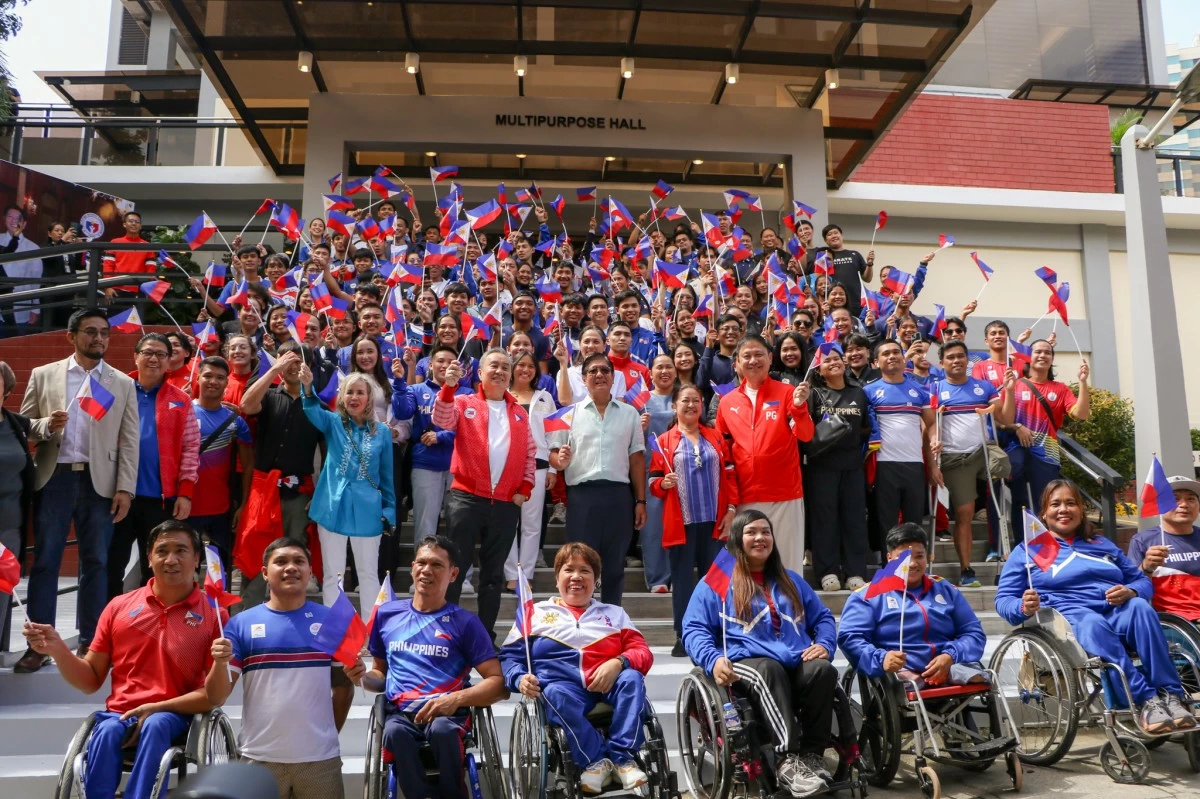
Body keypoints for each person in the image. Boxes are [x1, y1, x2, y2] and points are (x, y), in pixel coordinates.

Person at [22, 521, 227, 799]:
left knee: (156, 723)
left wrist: (156, 707)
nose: (171, 559)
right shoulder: (119, 607)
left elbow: (213, 696)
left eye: (181, 550)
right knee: (105, 731)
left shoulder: (215, 615)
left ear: (196, 558)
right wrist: (59, 649)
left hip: (176, 717)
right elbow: (91, 680)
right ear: (149, 558)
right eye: (162, 551)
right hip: (120, 715)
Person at [995, 480, 1196, 734]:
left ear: (1081, 509)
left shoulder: (1102, 545)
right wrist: (1023, 606)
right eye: (1055, 504)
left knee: (1141, 609)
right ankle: (1145, 699)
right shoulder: (1028, 551)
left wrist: (1131, 590)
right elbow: (1003, 600)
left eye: (1071, 503)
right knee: (1093, 623)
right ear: (1044, 513)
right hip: (1070, 619)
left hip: (1117, 610)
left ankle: (1171, 695)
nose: (1064, 509)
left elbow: (1139, 580)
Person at [682, 510, 838, 798]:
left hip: (793, 658)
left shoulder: (790, 579)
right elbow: (693, 628)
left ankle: (813, 756)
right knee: (768, 670)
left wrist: (825, 645)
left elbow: (824, 619)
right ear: (737, 540)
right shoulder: (717, 581)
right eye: (751, 532)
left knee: (823, 670)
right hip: (744, 661)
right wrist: (713, 659)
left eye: (766, 532)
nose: (760, 538)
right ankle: (786, 761)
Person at [17, 308, 139, 673]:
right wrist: (47, 424)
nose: (98, 339)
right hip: (55, 478)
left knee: (97, 564)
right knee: (45, 563)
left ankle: (92, 643)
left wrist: (125, 488)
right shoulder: (44, 375)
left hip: (99, 482)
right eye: (90, 332)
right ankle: (38, 646)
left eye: (104, 333)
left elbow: (130, 440)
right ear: (72, 336)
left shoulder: (121, 382)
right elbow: (26, 425)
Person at [207, 538, 363, 799]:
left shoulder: (332, 622)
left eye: (299, 561)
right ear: (265, 573)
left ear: (310, 572)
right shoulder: (239, 625)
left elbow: (343, 689)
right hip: (258, 759)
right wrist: (218, 663)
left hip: (320, 762)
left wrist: (323, 737)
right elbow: (216, 697)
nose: (291, 567)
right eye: (281, 561)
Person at [500, 542, 654, 795]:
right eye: (569, 569)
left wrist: (618, 662)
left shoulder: (614, 614)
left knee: (632, 678)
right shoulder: (534, 613)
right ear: (557, 577)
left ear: (596, 580)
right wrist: (518, 679)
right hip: (564, 688)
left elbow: (642, 653)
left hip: (610, 685)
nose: (576, 577)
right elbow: (509, 657)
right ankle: (595, 761)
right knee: (553, 694)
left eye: (585, 571)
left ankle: (622, 758)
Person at [363, 535, 508, 799]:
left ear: (453, 574)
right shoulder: (387, 615)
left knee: (442, 730)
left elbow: (498, 684)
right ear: (413, 567)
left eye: (437, 565)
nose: (426, 570)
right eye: (422, 563)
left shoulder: (465, 623)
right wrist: (362, 678)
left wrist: (455, 699)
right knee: (394, 732)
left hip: (449, 716)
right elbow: (378, 674)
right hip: (401, 715)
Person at [433, 350, 535, 638]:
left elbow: (530, 453)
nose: (500, 371)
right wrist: (448, 387)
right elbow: (441, 419)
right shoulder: (463, 402)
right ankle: (447, 632)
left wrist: (524, 490)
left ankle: (485, 635)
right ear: (480, 372)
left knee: (492, 577)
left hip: (505, 503)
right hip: (466, 499)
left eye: (506, 367)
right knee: (455, 568)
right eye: (494, 365)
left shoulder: (519, 413)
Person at [107, 333, 200, 600]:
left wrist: (185, 492)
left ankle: (156, 625)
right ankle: (108, 628)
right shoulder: (115, 390)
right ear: (135, 356)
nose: (154, 359)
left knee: (157, 569)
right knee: (111, 565)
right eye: (148, 352)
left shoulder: (180, 399)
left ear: (170, 361)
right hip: (116, 494)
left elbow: (191, 447)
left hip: (160, 499)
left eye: (161, 354)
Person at [838, 523, 988, 688]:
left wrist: (950, 655)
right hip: (901, 672)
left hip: (949, 666)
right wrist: (882, 658)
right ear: (889, 559)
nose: (912, 564)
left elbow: (973, 632)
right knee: (906, 682)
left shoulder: (946, 589)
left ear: (927, 556)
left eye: (919, 556)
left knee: (983, 677)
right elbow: (850, 638)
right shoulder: (866, 596)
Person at [550, 353, 646, 606]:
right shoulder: (568, 414)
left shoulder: (630, 414)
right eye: (592, 371)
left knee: (614, 566)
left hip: (618, 497)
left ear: (613, 377)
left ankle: (612, 625)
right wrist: (559, 459)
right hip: (582, 498)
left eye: (605, 370)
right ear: (583, 379)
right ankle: (581, 623)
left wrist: (640, 501)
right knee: (580, 565)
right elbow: (554, 455)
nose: (599, 375)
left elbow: (636, 460)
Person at [648, 382, 737, 656]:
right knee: (683, 581)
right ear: (674, 406)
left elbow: (731, 474)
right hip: (682, 523)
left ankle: (718, 632)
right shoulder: (664, 441)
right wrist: (663, 484)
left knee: (718, 579)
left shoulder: (717, 437)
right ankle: (683, 634)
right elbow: (653, 480)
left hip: (714, 521)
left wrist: (732, 509)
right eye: (684, 400)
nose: (690, 405)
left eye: (696, 400)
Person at [299, 366, 395, 618]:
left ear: (368, 398)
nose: (354, 397)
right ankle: (336, 634)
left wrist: (389, 510)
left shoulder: (383, 432)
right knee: (333, 574)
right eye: (349, 392)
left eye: (360, 392)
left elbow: (387, 476)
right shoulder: (333, 422)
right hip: (332, 508)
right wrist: (307, 386)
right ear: (342, 397)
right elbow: (310, 409)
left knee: (368, 574)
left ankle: (369, 635)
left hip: (368, 511)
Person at [715, 336, 813, 575]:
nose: (753, 360)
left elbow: (806, 435)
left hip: (784, 495)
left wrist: (800, 408)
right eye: (746, 356)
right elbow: (724, 455)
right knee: (747, 569)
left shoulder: (788, 392)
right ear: (736, 364)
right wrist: (729, 502)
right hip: (745, 496)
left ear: (770, 358)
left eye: (759, 354)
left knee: (788, 567)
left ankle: (791, 611)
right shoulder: (726, 402)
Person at [237, 343, 325, 607]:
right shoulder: (269, 395)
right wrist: (273, 369)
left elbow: (329, 453)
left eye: (299, 361)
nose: (293, 367)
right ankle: (246, 616)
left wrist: (320, 493)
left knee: (293, 552)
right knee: (254, 550)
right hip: (263, 489)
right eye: (288, 360)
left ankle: (290, 612)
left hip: (300, 491)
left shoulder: (319, 406)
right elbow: (245, 405)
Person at [928, 340, 1015, 588]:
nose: (956, 361)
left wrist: (1009, 390)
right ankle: (966, 569)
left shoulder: (984, 387)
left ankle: (1006, 559)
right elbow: (930, 424)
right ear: (941, 363)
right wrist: (934, 443)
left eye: (961, 357)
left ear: (968, 361)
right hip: (957, 457)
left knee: (1002, 488)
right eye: (951, 357)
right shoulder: (936, 389)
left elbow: (1005, 418)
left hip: (983, 451)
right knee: (965, 513)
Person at [1006, 340, 1090, 534]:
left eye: (1047, 352)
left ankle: (1046, 547)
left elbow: (1081, 414)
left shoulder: (1060, 389)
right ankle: (1023, 546)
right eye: (1038, 352)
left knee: (1045, 502)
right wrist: (1017, 426)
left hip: (1047, 453)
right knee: (1020, 501)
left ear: (1052, 359)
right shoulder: (1015, 385)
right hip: (1016, 448)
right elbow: (1002, 419)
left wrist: (1083, 382)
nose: (1042, 355)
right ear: (1029, 356)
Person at [805, 346, 871, 592]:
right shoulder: (814, 394)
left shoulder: (859, 394)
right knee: (825, 520)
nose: (832, 362)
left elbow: (865, 427)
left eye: (836, 358)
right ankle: (828, 571)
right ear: (819, 371)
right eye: (826, 361)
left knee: (854, 520)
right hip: (821, 467)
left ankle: (855, 571)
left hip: (852, 466)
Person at [392, 345, 471, 542]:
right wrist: (400, 382)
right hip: (425, 464)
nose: (445, 366)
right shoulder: (415, 389)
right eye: (440, 361)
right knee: (425, 524)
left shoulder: (468, 392)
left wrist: (442, 436)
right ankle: (422, 570)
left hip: (459, 466)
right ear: (430, 364)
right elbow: (402, 413)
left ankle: (461, 573)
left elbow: (470, 429)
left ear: (458, 367)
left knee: (460, 524)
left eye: (450, 362)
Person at [864, 339, 936, 549]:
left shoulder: (920, 390)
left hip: (914, 464)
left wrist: (933, 458)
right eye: (886, 354)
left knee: (914, 523)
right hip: (884, 465)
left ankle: (914, 569)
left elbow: (931, 425)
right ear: (876, 362)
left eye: (896, 352)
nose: (892, 356)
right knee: (886, 522)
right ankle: (889, 571)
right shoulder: (868, 391)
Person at [190, 356, 253, 575]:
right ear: (198, 378)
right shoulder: (182, 413)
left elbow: (248, 467)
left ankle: (216, 611)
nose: (213, 381)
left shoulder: (236, 422)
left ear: (227, 382)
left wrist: (243, 505)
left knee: (219, 576)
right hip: (185, 506)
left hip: (222, 510)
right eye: (207, 375)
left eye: (219, 377)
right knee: (188, 571)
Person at [503, 351, 556, 588]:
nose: (525, 370)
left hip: (539, 464)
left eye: (530, 366)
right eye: (520, 365)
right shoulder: (501, 396)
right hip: (505, 464)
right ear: (512, 368)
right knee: (508, 521)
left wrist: (554, 469)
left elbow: (553, 433)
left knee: (532, 523)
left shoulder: (545, 398)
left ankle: (526, 574)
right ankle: (510, 575)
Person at [1127, 475, 1200, 620]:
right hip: (1174, 623)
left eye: (1191, 499)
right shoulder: (1142, 540)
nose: (1184, 504)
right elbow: (1131, 587)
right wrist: (1147, 567)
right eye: (1175, 498)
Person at [640, 353, 678, 593]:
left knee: (680, 525)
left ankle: (678, 576)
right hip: (651, 469)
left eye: (669, 367)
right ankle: (658, 579)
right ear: (650, 373)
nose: (664, 371)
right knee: (654, 527)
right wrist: (640, 427)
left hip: (683, 470)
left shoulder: (685, 398)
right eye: (659, 367)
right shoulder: (641, 402)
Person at [0, 361, 33, 627]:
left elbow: (42, 427)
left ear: (6, 389)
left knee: (1, 595)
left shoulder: (16, 424)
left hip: (9, 528)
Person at [0, 205, 42, 334]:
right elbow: (8, 252)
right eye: (10, 217)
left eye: (18, 218)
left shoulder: (33, 248)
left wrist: (35, 308)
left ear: (24, 223)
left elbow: (36, 281)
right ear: (4, 219)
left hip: (20, 305)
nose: (14, 221)